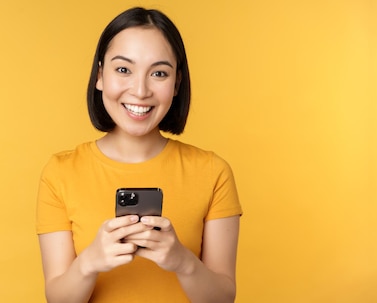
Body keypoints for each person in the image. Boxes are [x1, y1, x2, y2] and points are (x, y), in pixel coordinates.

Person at [36, 7, 242, 303]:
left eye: (159, 73)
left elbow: (223, 298)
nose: (141, 90)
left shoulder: (213, 172)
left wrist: (182, 261)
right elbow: (58, 299)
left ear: (176, 84)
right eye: (123, 69)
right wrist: (89, 262)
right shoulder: (60, 172)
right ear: (99, 76)